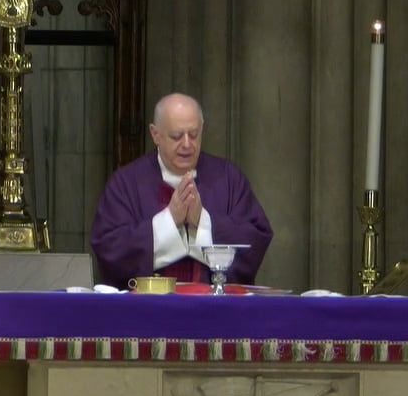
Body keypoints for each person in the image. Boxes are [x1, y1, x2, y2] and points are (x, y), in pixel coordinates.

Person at [90, 93, 273, 287]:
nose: (187, 144)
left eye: (194, 135)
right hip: (148, 304)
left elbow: (256, 238)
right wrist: (169, 220)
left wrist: (202, 221)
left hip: (213, 304)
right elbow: (108, 247)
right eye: (176, 136)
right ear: (155, 134)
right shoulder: (126, 183)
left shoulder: (228, 178)